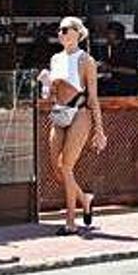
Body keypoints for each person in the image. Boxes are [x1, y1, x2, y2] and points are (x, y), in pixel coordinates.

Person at [46, 17, 107, 236]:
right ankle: (85, 199)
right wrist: (47, 85)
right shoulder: (55, 58)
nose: (60, 34)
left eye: (65, 30)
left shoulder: (86, 60)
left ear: (77, 33)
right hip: (60, 111)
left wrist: (99, 129)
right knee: (56, 167)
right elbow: (51, 93)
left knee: (66, 165)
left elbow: (93, 96)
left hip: (80, 112)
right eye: (59, 30)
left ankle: (71, 220)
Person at [99, 22, 138, 96]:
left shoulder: (128, 48)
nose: (106, 36)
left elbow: (133, 71)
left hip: (126, 85)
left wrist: (111, 68)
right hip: (113, 82)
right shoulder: (108, 48)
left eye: (109, 33)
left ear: (116, 34)